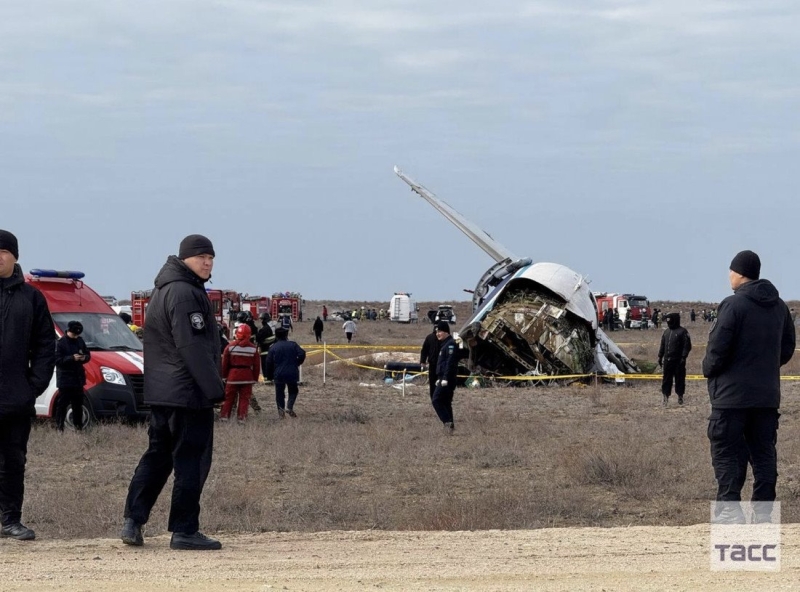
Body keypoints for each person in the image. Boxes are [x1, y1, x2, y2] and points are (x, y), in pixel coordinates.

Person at [121, 234, 225, 551]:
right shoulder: (185, 293)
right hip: (188, 393)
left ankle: (132, 521)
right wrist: (214, 390)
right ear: (185, 259)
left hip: (163, 392)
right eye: (201, 257)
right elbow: (191, 346)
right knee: (190, 461)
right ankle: (185, 530)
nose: (207, 262)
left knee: (157, 457)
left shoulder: (164, 289)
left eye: (211, 257)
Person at [702, 250, 795, 521]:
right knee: (764, 456)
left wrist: (708, 368)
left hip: (731, 400)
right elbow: (787, 347)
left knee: (728, 455)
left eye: (731, 271)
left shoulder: (733, 305)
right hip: (766, 398)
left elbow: (717, 349)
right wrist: (764, 368)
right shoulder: (779, 307)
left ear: (739, 273)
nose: (729, 276)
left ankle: (730, 513)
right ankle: (764, 515)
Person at [0, 230, 56, 541]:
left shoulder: (31, 298)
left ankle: (11, 519)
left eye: (4, 251)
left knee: (13, 461)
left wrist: (32, 386)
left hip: (14, 397)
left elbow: (46, 345)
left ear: (15, 256)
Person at [54, 321, 91, 430]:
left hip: (78, 378)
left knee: (78, 405)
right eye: (74, 334)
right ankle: (59, 427)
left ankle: (78, 427)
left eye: (77, 334)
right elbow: (58, 360)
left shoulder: (80, 341)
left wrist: (84, 358)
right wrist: (72, 358)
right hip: (65, 379)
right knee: (62, 405)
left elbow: (88, 354)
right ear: (69, 331)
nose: (76, 336)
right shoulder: (61, 343)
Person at [220, 324, 260, 424]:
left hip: (232, 376)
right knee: (244, 399)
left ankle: (224, 417)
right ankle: (242, 419)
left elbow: (224, 364)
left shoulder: (230, 347)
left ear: (237, 334)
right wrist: (255, 378)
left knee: (228, 398)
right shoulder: (253, 349)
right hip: (247, 377)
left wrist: (224, 376)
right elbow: (256, 366)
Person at [264, 327, 306, 418]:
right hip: (292, 372)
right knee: (293, 391)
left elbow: (268, 362)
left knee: (279, 394)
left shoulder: (273, 347)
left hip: (278, 373)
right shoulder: (293, 345)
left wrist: (269, 376)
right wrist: (297, 363)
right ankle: (289, 406)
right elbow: (302, 353)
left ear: (276, 336)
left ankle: (281, 413)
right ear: (286, 335)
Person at [657, 313, 691, 407]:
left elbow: (687, 346)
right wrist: (660, 356)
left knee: (680, 379)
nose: (668, 322)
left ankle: (680, 396)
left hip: (678, 361)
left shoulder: (682, 331)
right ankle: (665, 397)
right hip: (668, 361)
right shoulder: (666, 332)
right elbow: (663, 345)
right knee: (666, 380)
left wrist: (683, 357)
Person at [432, 321, 459, 434]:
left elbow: (450, 363)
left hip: (447, 379)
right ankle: (450, 427)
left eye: (440, 331)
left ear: (446, 332)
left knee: (436, 400)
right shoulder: (444, 344)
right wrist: (440, 376)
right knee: (446, 402)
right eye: (437, 332)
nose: (438, 334)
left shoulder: (450, 344)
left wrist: (445, 378)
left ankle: (447, 422)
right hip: (443, 377)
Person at [419, 325, 441, 399]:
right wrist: (422, 361)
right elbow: (424, 350)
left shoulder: (444, 339)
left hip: (441, 364)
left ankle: (439, 397)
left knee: (441, 382)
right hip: (432, 364)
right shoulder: (429, 338)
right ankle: (433, 397)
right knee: (432, 382)